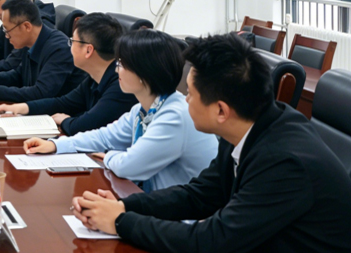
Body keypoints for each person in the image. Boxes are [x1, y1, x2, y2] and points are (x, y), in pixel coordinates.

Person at [73, 34, 351, 253]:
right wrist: (127, 207)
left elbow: (213, 241)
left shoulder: (284, 162)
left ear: (221, 110)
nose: (184, 100)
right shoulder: (250, 127)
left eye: (191, 93)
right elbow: (199, 194)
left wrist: (120, 223)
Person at [23, 28, 216, 192]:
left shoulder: (174, 116)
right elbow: (104, 137)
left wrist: (109, 156)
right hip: (154, 204)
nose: (116, 70)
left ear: (144, 72)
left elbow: (129, 166)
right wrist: (56, 145)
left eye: (122, 64)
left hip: (184, 218)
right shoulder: (143, 109)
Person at [0, 13, 137, 135]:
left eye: (72, 41)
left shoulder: (121, 84)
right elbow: (63, 103)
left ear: (88, 50)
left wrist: (66, 121)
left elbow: (85, 125)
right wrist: (20, 108)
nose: (69, 46)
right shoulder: (94, 77)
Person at [0, 0, 86, 103]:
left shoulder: (59, 49)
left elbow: (41, 92)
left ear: (26, 26)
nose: (6, 36)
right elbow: (19, 75)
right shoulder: (30, 42)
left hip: (60, 115)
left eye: (7, 30)